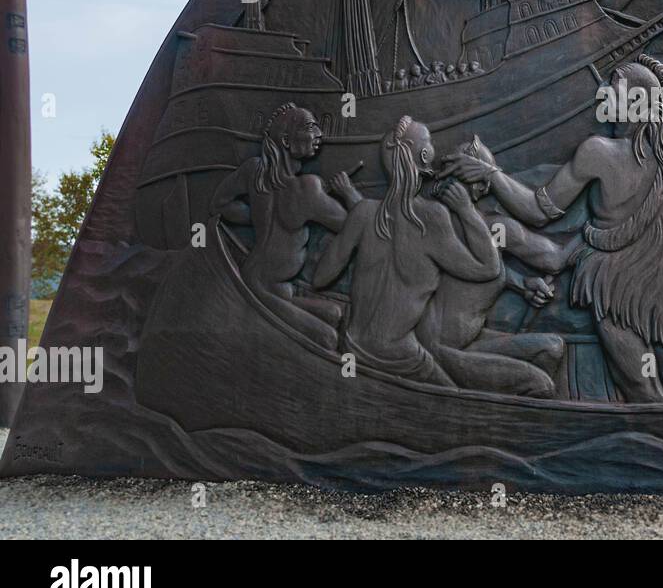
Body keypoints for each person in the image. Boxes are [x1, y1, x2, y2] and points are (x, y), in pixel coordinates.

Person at [440, 55, 663, 403]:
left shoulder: (598, 152)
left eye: (612, 87)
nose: (602, 92)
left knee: (638, 386)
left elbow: (539, 210)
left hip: (615, 287)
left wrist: (491, 176)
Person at [312, 116, 501, 385]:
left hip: (352, 348)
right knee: (454, 399)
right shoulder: (433, 218)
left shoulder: (363, 213)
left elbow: (320, 278)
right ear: (425, 155)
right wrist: (467, 211)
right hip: (399, 356)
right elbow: (488, 268)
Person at [414, 136, 573, 397]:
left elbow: (467, 267)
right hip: (440, 351)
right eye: (484, 181)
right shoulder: (485, 228)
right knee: (541, 385)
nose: (486, 190)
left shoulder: (446, 224)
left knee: (553, 347)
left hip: (467, 343)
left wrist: (521, 284)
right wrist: (593, 237)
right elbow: (553, 260)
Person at [209, 103, 360, 348]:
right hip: (264, 290)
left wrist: (259, 218)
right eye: (311, 128)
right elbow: (352, 227)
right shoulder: (307, 189)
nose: (320, 134)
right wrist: (348, 192)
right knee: (329, 339)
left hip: (264, 280)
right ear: (288, 141)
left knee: (335, 313)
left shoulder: (254, 170)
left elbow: (220, 203)